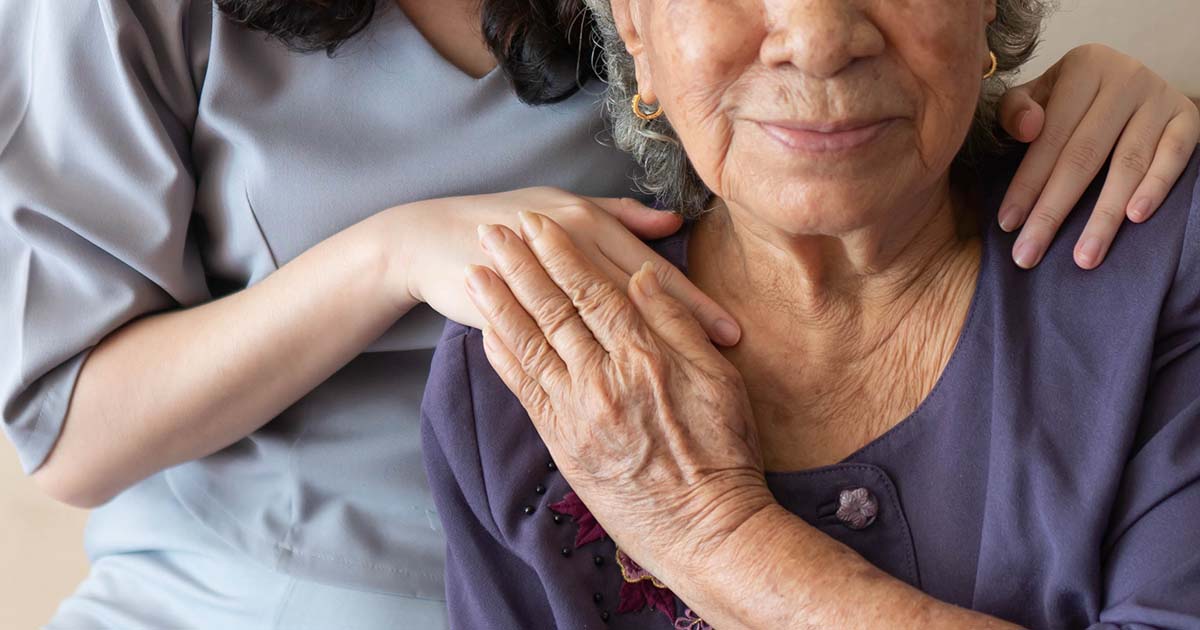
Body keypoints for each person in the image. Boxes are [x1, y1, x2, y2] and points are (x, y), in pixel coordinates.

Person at [0, 0, 1194, 627]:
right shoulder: (125, 12)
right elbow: (67, 429)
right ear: (643, 37)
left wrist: (1092, 92)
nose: (814, 34)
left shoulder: (1132, 273)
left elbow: (840, 115)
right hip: (263, 601)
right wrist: (390, 257)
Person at [424, 0, 1200, 628]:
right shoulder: (522, 370)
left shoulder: (1160, 255)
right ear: (635, 26)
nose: (820, 38)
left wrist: (712, 535)